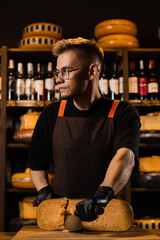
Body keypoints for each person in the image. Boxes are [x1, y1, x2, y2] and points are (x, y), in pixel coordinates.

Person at [28, 37, 140, 222]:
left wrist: (102, 196)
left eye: (66, 71)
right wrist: (43, 190)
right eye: (57, 72)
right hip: (62, 218)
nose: (59, 79)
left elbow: (125, 157)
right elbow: (36, 163)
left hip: (107, 215)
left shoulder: (123, 112)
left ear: (92, 71)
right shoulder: (51, 113)